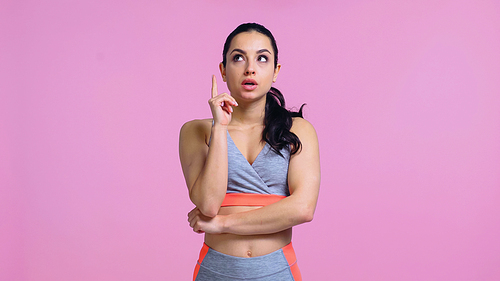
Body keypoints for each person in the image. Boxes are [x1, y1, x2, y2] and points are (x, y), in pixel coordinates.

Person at [179, 23, 320, 281]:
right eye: (238, 57)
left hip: (278, 272)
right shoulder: (195, 131)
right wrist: (220, 129)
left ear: (276, 71)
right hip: (215, 272)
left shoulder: (298, 130)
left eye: (262, 58)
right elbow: (209, 204)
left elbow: (303, 208)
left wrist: (223, 224)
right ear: (223, 70)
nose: (250, 68)